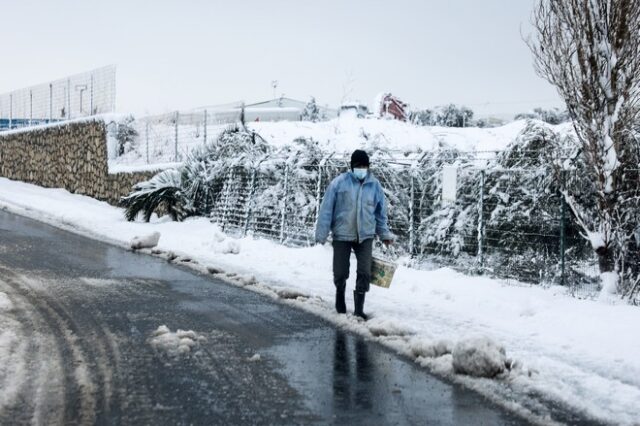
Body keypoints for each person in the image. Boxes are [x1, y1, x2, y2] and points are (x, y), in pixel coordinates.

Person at [315, 149, 393, 320]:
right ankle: (340, 294)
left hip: (365, 235)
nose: (361, 169)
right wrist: (321, 234)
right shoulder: (339, 183)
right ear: (352, 167)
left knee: (365, 271)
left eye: (365, 166)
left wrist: (384, 234)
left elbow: (380, 214)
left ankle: (359, 308)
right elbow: (326, 210)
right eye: (358, 166)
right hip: (342, 234)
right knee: (341, 271)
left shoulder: (375, 186)